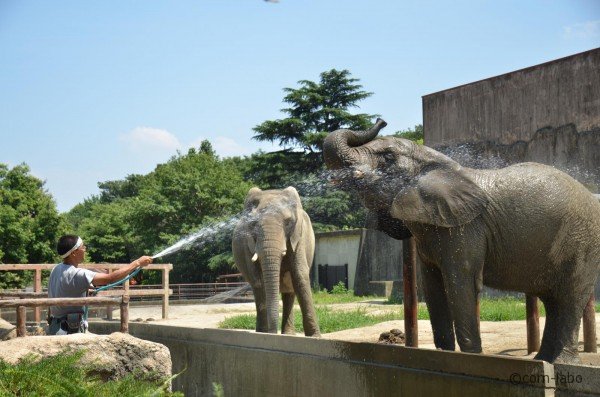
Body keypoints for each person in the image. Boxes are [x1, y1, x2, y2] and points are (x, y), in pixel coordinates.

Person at [47, 235, 153, 335]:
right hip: (70, 330)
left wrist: (85, 289)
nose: (85, 249)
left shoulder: (55, 269)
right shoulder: (77, 273)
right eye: (82, 247)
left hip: (55, 327)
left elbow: (66, 288)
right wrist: (138, 263)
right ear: (74, 253)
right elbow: (110, 278)